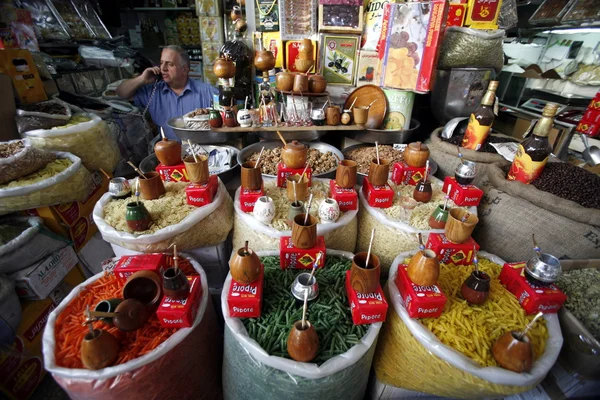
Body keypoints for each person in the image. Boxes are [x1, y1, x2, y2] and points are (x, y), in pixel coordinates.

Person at [116, 45, 218, 140]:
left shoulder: (208, 92)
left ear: (185, 69)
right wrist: (142, 79)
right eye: (161, 63)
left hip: (202, 153)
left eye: (170, 64)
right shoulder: (154, 91)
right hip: (169, 152)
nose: (163, 68)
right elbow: (121, 93)